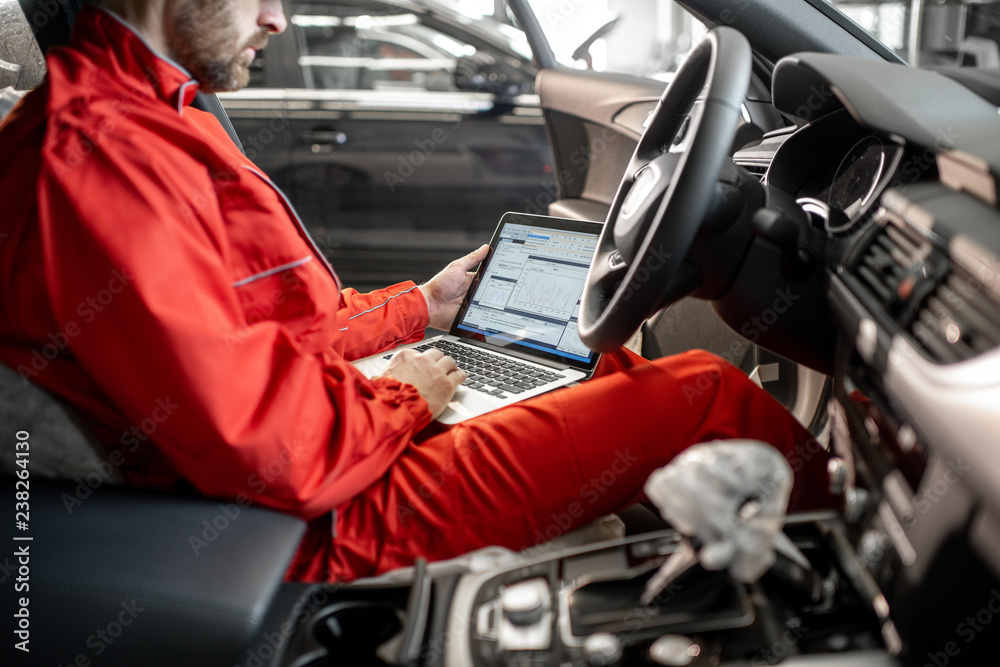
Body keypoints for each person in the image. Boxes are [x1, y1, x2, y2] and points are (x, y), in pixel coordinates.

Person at [0, 0, 833, 582]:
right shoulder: (102, 159)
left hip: (313, 461)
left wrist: (422, 312)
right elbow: (269, 452)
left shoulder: (135, 116)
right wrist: (404, 392)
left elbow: (261, 337)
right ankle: (855, 587)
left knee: (610, 374)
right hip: (315, 521)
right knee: (704, 394)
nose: (276, 19)